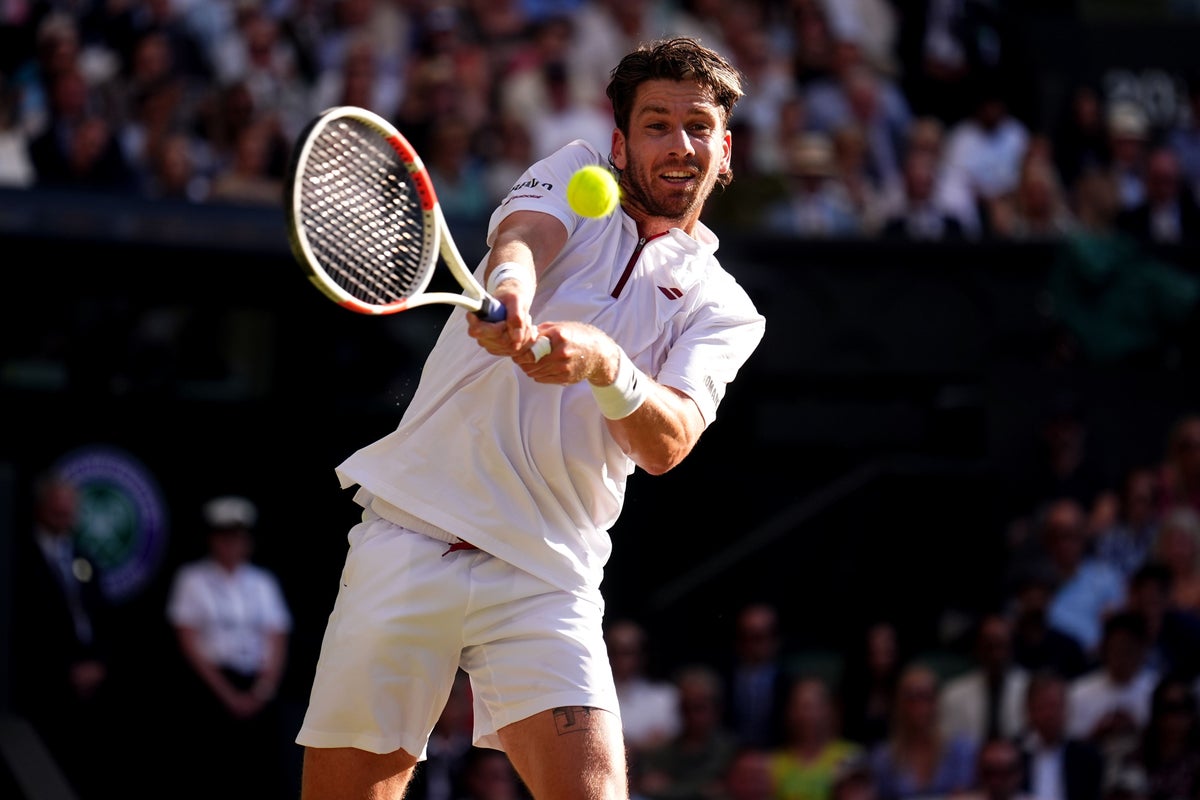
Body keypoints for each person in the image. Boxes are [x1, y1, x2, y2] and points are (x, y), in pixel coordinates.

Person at [295, 36, 766, 800]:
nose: (679, 144)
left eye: (698, 125)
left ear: (725, 149)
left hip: (548, 573)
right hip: (413, 534)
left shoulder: (727, 311)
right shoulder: (577, 173)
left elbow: (668, 442)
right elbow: (521, 244)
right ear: (620, 142)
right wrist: (512, 293)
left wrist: (605, 365)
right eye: (656, 124)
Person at [165, 494, 294, 800]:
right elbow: (188, 640)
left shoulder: (263, 582)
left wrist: (262, 690)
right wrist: (227, 694)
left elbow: (277, 638)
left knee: (262, 773)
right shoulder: (192, 579)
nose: (232, 546)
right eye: (225, 538)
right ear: (212, 540)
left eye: (239, 538)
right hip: (211, 689)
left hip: (257, 687)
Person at [10, 470, 121, 799]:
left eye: (70, 509)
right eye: (57, 509)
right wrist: (64, 670)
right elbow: (23, 627)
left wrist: (100, 663)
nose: (64, 516)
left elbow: (103, 617)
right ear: (40, 508)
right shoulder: (18, 556)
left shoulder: (82, 557)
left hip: (92, 682)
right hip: (44, 683)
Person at [937, 613, 1030, 745]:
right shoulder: (953, 694)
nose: (996, 655)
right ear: (978, 649)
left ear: (1011, 647)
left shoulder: (1029, 689)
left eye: (1001, 645)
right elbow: (948, 742)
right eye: (989, 646)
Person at [768, 675, 865, 800]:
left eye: (814, 706)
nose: (807, 714)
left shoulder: (851, 756)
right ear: (789, 712)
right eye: (800, 706)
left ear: (830, 709)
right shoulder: (773, 763)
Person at [1014, 669, 1105, 800]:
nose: (1050, 714)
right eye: (1044, 706)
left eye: (1055, 706)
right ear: (1029, 709)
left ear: (1067, 708)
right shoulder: (1014, 754)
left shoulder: (1087, 757)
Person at [606, 617, 683, 760]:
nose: (620, 659)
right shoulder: (592, 698)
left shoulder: (664, 697)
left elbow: (672, 745)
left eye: (627, 652)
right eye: (614, 651)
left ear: (642, 655)